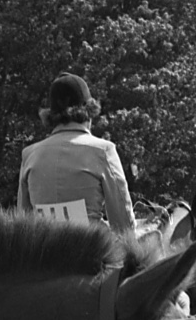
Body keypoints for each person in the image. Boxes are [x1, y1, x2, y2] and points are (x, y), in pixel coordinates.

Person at [16, 73, 136, 234]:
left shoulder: (29, 155)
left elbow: (23, 222)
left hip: (44, 254)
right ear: (89, 112)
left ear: (51, 116)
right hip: (92, 253)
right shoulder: (103, 151)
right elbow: (123, 224)